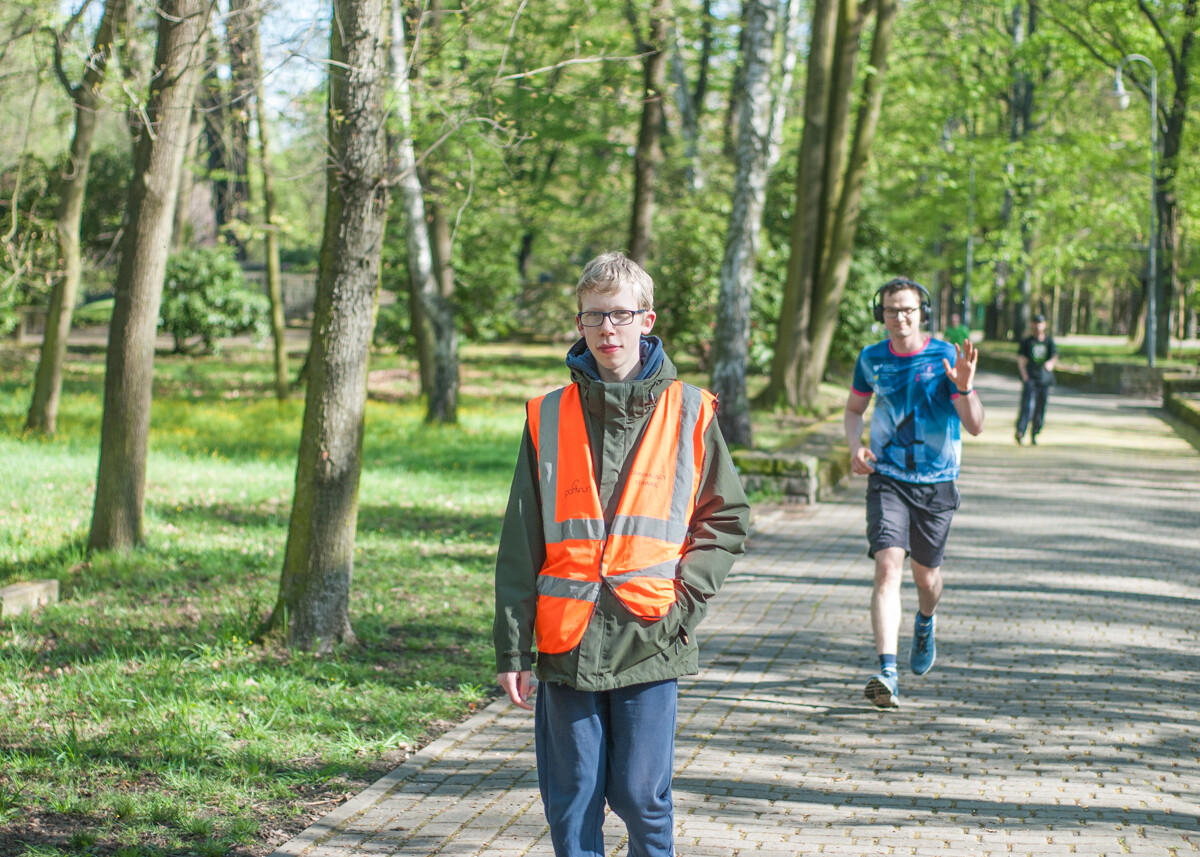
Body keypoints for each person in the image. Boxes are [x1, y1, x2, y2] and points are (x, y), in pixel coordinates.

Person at [493, 251, 750, 857]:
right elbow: (520, 540)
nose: (607, 329)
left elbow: (728, 517)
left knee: (641, 797)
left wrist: (682, 604)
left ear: (647, 320)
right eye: (594, 316)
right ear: (579, 324)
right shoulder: (547, 415)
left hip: (650, 636)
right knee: (573, 794)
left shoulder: (689, 410)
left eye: (620, 315)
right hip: (566, 641)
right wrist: (511, 646)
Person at [843, 277, 985, 709]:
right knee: (888, 567)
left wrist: (962, 387)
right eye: (891, 310)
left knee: (926, 578)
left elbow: (976, 425)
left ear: (923, 311)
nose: (900, 317)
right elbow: (854, 410)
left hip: (937, 484)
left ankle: (925, 621)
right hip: (887, 479)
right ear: (880, 315)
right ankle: (887, 670)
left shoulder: (946, 356)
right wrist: (855, 446)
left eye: (907, 309)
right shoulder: (871, 359)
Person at [1015, 313, 1058, 446]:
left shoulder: (1049, 342)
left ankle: (1035, 433)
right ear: (1032, 324)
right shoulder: (1027, 342)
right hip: (1030, 379)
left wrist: (1050, 364)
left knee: (1040, 408)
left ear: (1044, 325)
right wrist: (1024, 376)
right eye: (1035, 322)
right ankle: (1020, 431)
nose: (1038, 325)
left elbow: (1054, 356)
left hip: (1044, 380)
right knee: (1027, 406)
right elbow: (1021, 359)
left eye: (1040, 322)